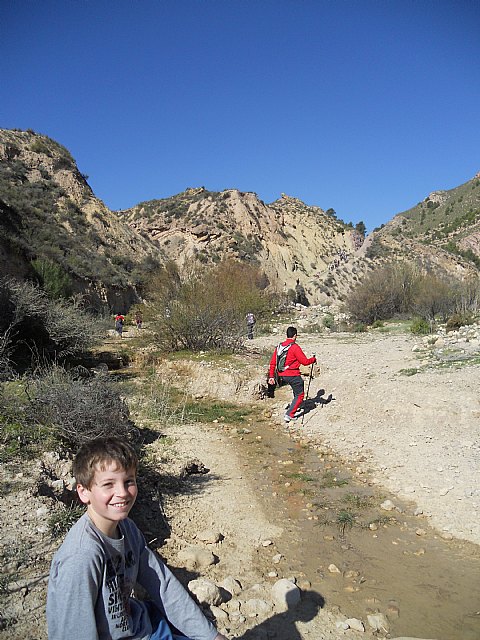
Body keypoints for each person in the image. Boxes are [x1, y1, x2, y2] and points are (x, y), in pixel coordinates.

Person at [46, 437, 228, 640]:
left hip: (144, 623)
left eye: (128, 481)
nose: (122, 493)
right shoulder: (81, 556)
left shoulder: (127, 528)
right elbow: (72, 632)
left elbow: (163, 585)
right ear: (84, 492)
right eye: (108, 484)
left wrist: (210, 636)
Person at [268, 326, 316, 423]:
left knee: (296, 390)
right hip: (292, 374)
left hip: (281, 375)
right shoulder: (295, 347)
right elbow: (305, 362)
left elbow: (273, 363)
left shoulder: (279, 347)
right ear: (295, 336)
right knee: (300, 394)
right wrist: (313, 359)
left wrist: (271, 376)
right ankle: (289, 414)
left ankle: (296, 406)